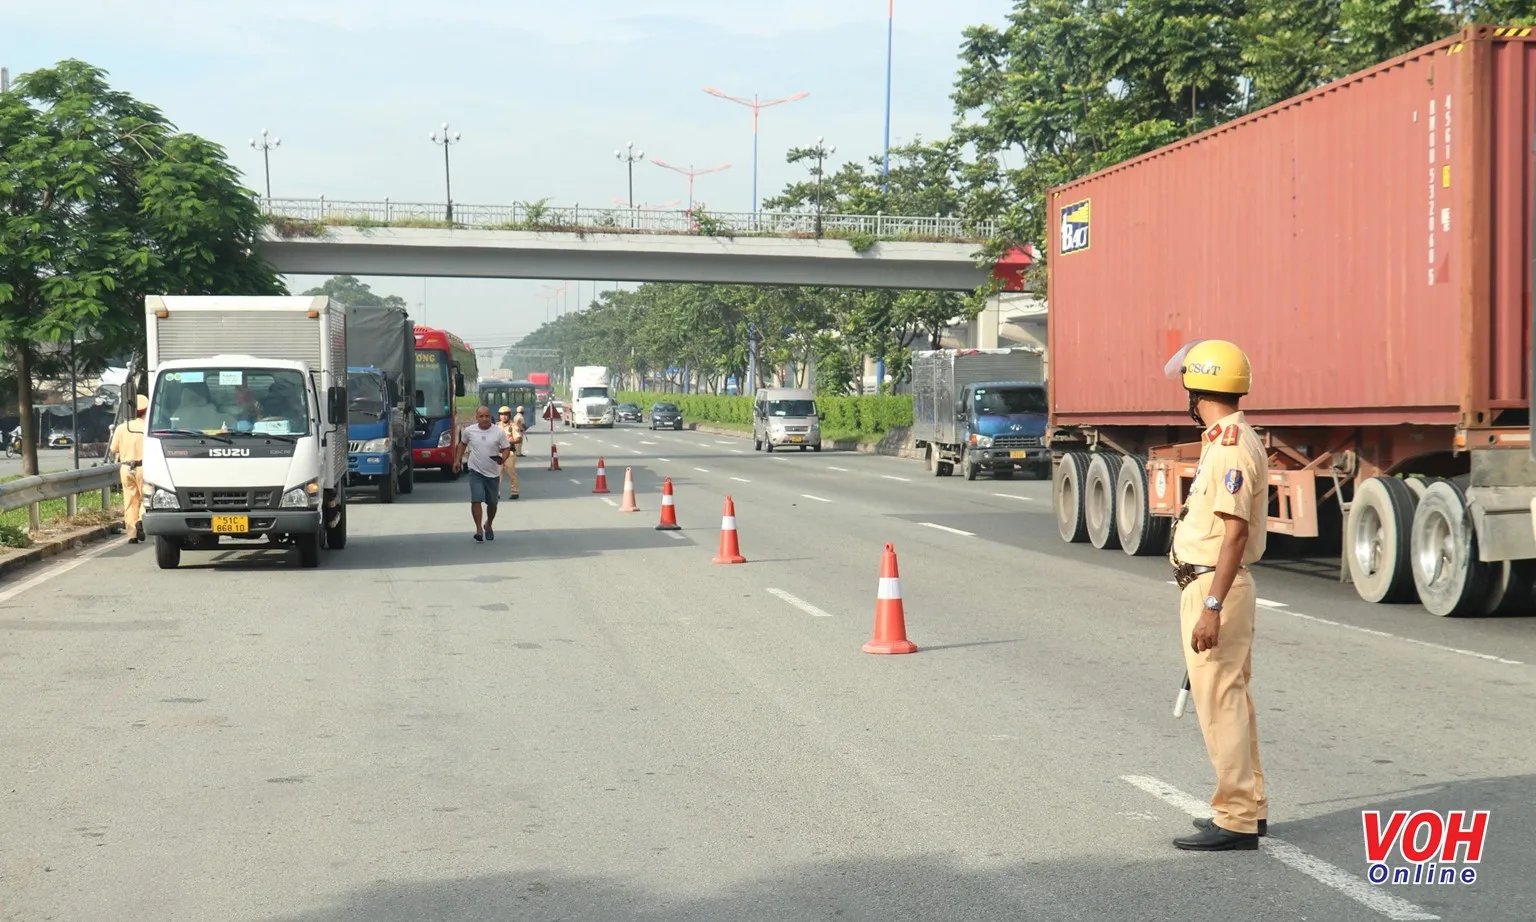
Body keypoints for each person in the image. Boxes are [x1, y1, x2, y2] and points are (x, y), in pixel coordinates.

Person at [1164, 339, 1270, 852]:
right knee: (1234, 699)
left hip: (1214, 585)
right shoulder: (1227, 436)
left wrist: (1211, 607)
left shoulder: (1229, 445)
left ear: (1196, 387)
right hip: (1210, 581)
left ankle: (1236, 818)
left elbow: (1234, 533)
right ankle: (1249, 806)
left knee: (1219, 703)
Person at [454, 405, 511, 542]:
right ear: (476, 417)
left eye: (487, 416)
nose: (484, 419)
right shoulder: (469, 431)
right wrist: (457, 460)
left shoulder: (498, 432)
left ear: (490, 416)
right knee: (476, 499)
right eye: (481, 416)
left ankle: (488, 524)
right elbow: (462, 444)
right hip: (475, 471)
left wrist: (503, 458)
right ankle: (479, 529)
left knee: (492, 504)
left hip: (492, 473)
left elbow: (506, 448)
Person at [109, 395, 149, 543]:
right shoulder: (148, 427)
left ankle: (132, 534)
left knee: (130, 499)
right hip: (144, 467)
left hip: (126, 467)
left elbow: (113, 449)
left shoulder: (121, 428)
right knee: (146, 497)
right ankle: (141, 520)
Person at [495, 405, 521, 501]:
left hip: (509, 453)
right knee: (497, 474)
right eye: (502, 414)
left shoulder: (513, 426)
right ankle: (496, 492)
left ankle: (515, 492)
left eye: (506, 414)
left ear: (509, 415)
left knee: (511, 473)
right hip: (499, 453)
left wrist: (510, 441)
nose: (504, 416)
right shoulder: (496, 426)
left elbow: (519, 439)